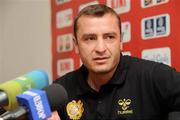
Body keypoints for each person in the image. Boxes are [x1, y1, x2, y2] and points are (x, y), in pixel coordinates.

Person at [54, 4, 180, 120]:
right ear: (76, 45)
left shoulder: (154, 77)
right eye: (90, 39)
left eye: (109, 37)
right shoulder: (61, 91)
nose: (100, 48)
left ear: (121, 42)